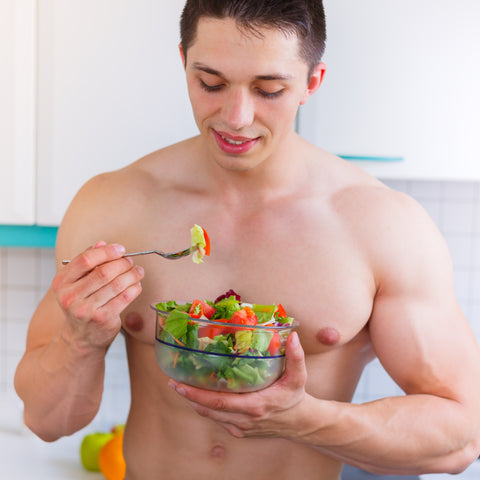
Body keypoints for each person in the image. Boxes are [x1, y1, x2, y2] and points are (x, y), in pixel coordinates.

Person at [14, 1, 480, 479]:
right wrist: (80, 340)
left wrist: (305, 420)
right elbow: (48, 422)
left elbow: (461, 437)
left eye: (269, 90)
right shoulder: (112, 205)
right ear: (183, 64)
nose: (236, 117)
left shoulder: (382, 225)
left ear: (311, 82)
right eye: (210, 84)